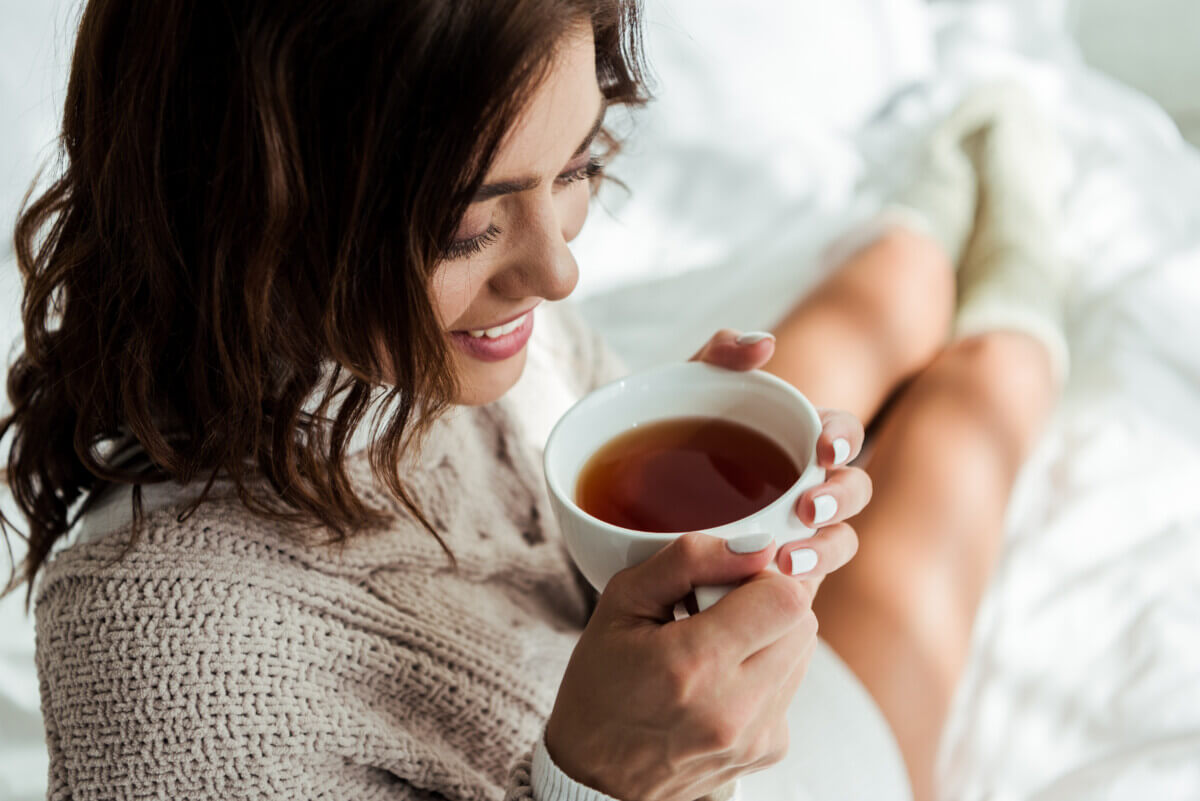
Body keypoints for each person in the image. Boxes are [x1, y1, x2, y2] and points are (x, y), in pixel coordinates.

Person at [0, 1, 1066, 800]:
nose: (557, 274)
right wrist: (606, 781)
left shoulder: (440, 328)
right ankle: (1009, 210)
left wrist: (699, 479)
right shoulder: (170, 673)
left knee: (877, 299)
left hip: (749, 702)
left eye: (579, 164)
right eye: (470, 225)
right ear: (242, 199)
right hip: (797, 762)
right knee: (990, 388)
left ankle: (932, 201)